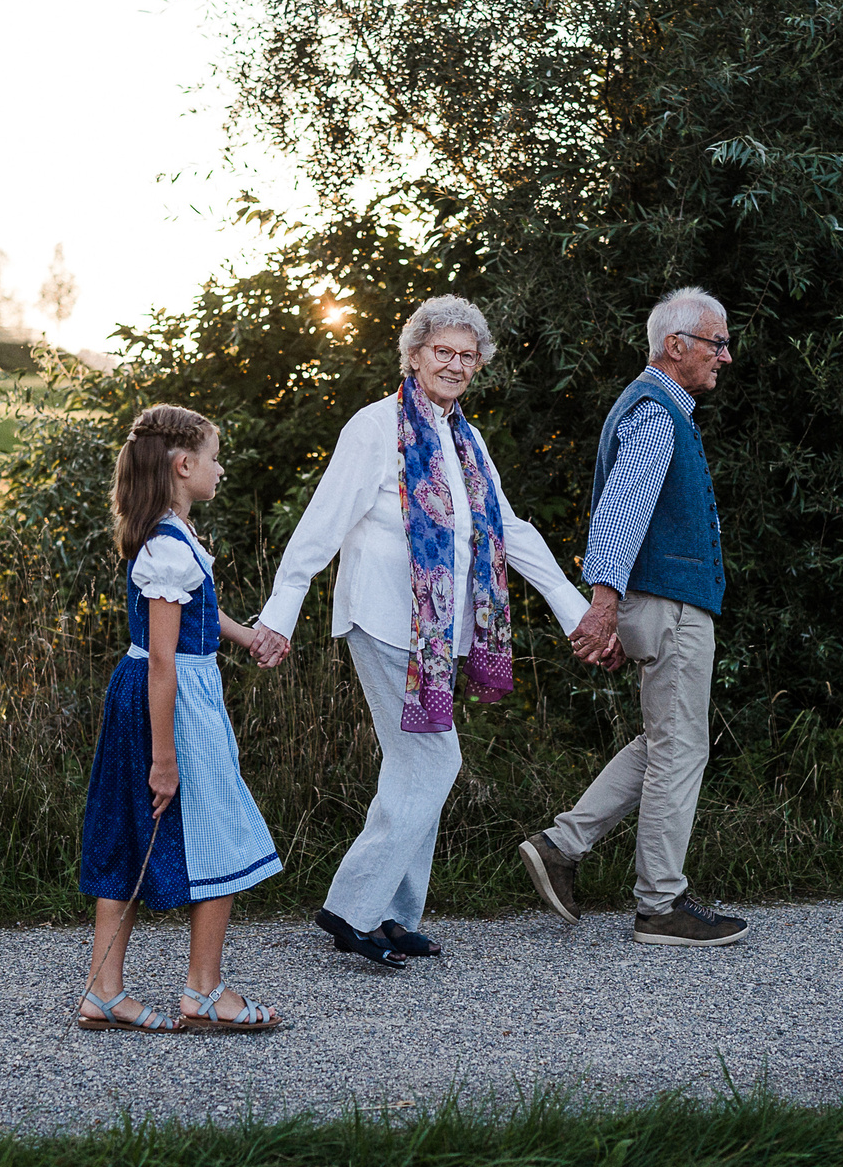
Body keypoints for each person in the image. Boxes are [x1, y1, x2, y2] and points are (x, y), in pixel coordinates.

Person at [253, 295, 611, 969]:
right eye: (441, 350)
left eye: (466, 354)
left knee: (414, 762)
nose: (454, 363)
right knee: (434, 761)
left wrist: (573, 609)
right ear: (413, 355)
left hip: (435, 635)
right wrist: (281, 609)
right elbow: (322, 522)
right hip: (385, 619)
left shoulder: (464, 438)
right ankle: (353, 908)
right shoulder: (375, 427)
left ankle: (391, 913)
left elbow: (508, 529)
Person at [518, 287, 750, 947]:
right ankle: (661, 903)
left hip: (662, 601)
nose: (725, 356)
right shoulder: (655, 412)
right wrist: (604, 604)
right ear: (675, 346)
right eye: (717, 343)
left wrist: (617, 605)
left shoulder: (662, 408)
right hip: (670, 604)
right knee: (679, 746)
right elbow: (619, 512)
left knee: (663, 740)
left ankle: (562, 845)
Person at [75, 403, 288, 1032]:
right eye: (215, 457)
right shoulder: (168, 548)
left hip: (153, 690)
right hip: (170, 702)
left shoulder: (171, 537)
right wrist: (163, 758)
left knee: (130, 830)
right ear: (184, 463)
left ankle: (104, 992)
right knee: (219, 832)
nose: (221, 469)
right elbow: (165, 661)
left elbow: (192, 617)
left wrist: (247, 637)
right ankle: (203, 991)